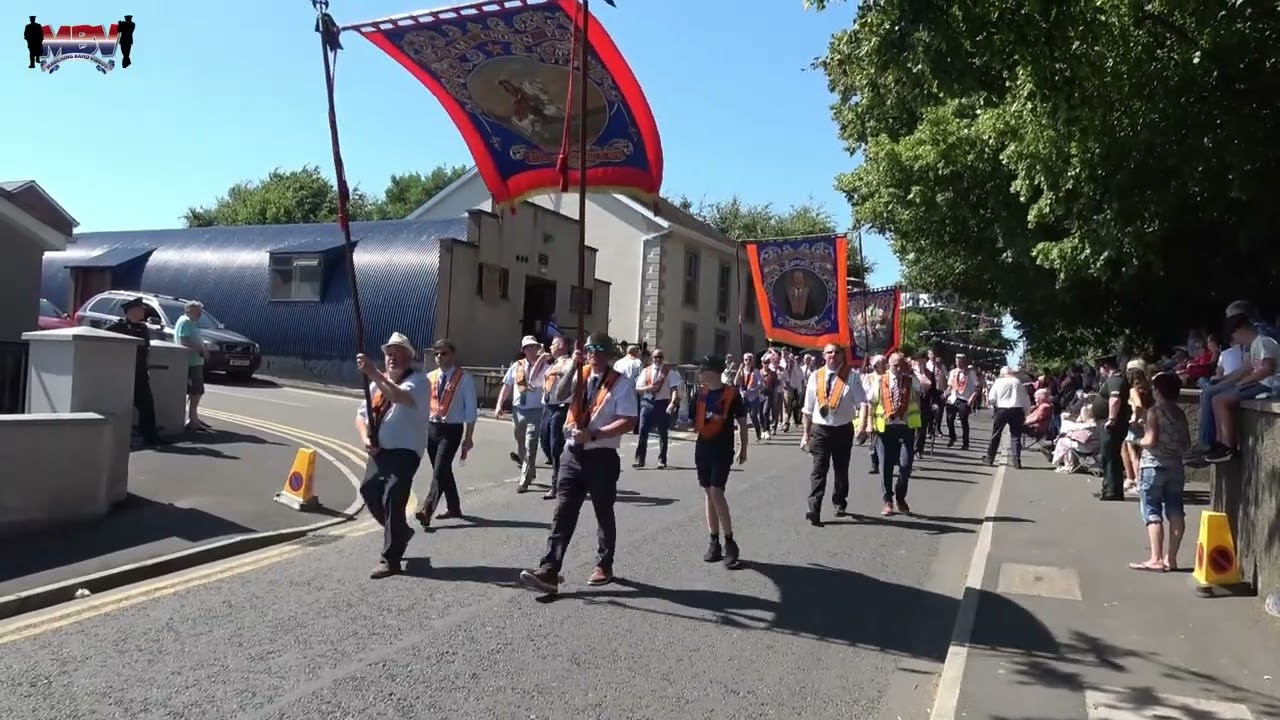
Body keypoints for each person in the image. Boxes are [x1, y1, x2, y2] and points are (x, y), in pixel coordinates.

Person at [519, 332, 638, 595]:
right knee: (563, 512)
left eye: (598, 349)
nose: (593, 353)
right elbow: (558, 394)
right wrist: (574, 363)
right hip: (572, 454)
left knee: (603, 511)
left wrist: (594, 434)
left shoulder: (621, 383)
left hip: (601, 455)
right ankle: (549, 569)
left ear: (608, 354)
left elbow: (629, 420)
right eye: (590, 349)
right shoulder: (580, 374)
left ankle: (604, 564)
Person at [355, 333, 430, 579]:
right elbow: (361, 416)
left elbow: (398, 396)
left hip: (405, 452)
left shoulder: (419, 382)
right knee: (369, 490)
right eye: (389, 353)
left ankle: (390, 559)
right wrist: (366, 437)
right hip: (380, 452)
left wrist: (373, 372)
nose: (392, 358)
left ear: (410, 357)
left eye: (398, 353)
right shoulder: (376, 385)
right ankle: (400, 532)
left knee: (393, 496)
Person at [801, 343, 868, 526]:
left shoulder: (852, 377)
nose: (832, 355)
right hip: (820, 430)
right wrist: (805, 435)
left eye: (836, 352)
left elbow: (862, 403)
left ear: (842, 355)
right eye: (829, 352)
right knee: (819, 470)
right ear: (824, 355)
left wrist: (862, 426)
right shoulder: (816, 376)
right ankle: (814, 509)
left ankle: (839, 501)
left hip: (842, 429)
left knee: (841, 469)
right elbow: (807, 409)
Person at [1129, 372, 1191, 572]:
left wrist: (1136, 439)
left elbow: (1151, 440)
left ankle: (1155, 558)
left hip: (1153, 465)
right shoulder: (1180, 413)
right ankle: (1171, 559)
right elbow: (1186, 443)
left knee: (1152, 510)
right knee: (1175, 511)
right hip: (1175, 466)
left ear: (1158, 391)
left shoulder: (1154, 411)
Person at [412, 339, 477, 529]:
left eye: (444, 353)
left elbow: (471, 410)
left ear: (452, 355)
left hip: (451, 430)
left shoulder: (464, 379)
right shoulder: (430, 377)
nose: (439, 357)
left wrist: (469, 437)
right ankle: (454, 507)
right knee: (443, 470)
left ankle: (427, 510)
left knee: (439, 470)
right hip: (432, 429)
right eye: (437, 354)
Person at [692, 356, 749, 568]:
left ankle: (730, 541)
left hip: (722, 449)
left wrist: (743, 447)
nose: (700, 373)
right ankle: (714, 541)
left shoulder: (732, 394)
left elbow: (742, 423)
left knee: (717, 492)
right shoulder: (700, 393)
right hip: (703, 448)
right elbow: (693, 421)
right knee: (708, 493)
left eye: (703, 369)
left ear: (714, 371)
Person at [1205, 312, 1280, 463]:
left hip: (1269, 385)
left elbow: (1268, 369)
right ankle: (1220, 442)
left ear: (1240, 330)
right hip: (1260, 383)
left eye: (1233, 336)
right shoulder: (1255, 346)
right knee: (1216, 399)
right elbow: (1249, 369)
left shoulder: (1264, 342)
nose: (1235, 341)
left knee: (1221, 400)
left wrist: (1246, 381)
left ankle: (1229, 446)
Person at [860, 352, 921, 516]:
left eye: (902, 365)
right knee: (885, 467)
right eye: (895, 366)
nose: (899, 369)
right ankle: (887, 501)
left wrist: (914, 370)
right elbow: (870, 402)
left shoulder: (910, 380)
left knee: (906, 465)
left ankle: (900, 497)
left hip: (905, 428)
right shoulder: (880, 380)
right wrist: (869, 424)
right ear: (889, 366)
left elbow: (925, 386)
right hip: (885, 429)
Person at [495, 336, 549, 492]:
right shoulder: (516, 366)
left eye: (534, 347)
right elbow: (506, 386)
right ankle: (530, 469)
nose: (531, 350)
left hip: (536, 410)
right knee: (520, 443)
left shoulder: (545, 367)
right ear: (523, 350)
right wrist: (499, 405)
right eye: (528, 347)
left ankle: (524, 480)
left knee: (531, 444)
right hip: (518, 410)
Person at [105, 297, 161, 447]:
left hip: (140, 372)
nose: (143, 311)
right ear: (131, 311)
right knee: (122, 406)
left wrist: (147, 368)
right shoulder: (117, 327)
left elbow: (146, 350)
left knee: (147, 404)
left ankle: (150, 437)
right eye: (141, 309)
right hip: (124, 372)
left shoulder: (143, 328)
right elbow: (102, 341)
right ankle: (120, 438)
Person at [538, 336, 575, 499]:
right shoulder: (552, 364)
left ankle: (557, 485)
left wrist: (558, 370)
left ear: (560, 346)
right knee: (544, 442)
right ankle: (563, 474)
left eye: (552, 345)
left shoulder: (569, 363)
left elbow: (570, 376)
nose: (550, 348)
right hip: (547, 408)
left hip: (560, 408)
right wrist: (541, 361)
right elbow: (534, 379)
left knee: (556, 447)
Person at [633, 347, 681, 469]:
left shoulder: (669, 372)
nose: (658, 359)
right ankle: (640, 459)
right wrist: (648, 388)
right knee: (642, 430)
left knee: (662, 433)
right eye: (655, 357)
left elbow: (674, 389)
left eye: (660, 357)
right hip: (647, 403)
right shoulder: (646, 371)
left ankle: (662, 460)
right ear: (652, 358)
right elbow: (638, 388)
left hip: (662, 404)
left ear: (663, 358)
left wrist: (672, 402)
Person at [1093, 356, 1130, 501]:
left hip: (1112, 425)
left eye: (1100, 368)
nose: (1100, 371)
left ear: (1106, 366)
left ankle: (1112, 491)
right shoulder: (1114, 379)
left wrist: (1111, 419)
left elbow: (1115, 399)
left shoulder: (1115, 380)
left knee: (1110, 457)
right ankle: (1109, 488)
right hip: (1109, 423)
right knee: (1109, 456)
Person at [172, 300, 209, 432]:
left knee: (196, 391)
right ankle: (192, 419)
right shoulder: (186, 322)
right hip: (191, 362)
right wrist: (201, 349)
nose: (199, 314)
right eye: (197, 312)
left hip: (195, 361)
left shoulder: (191, 322)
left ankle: (194, 417)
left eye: (200, 312)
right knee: (196, 390)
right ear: (188, 311)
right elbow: (184, 341)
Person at [984, 366, 1031, 468]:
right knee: (1015, 436)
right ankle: (1016, 460)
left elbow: (992, 398)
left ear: (1002, 374)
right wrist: (1027, 412)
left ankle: (990, 458)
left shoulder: (998, 382)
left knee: (996, 434)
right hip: (1016, 410)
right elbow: (1025, 398)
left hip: (1001, 410)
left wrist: (991, 404)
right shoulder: (1017, 382)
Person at [945, 354, 980, 449]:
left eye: (960, 361)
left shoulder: (970, 373)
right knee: (949, 419)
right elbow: (950, 386)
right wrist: (945, 394)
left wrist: (972, 398)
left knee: (963, 421)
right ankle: (952, 437)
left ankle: (965, 443)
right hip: (953, 398)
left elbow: (977, 387)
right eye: (957, 361)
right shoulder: (953, 372)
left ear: (964, 362)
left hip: (965, 399)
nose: (958, 363)